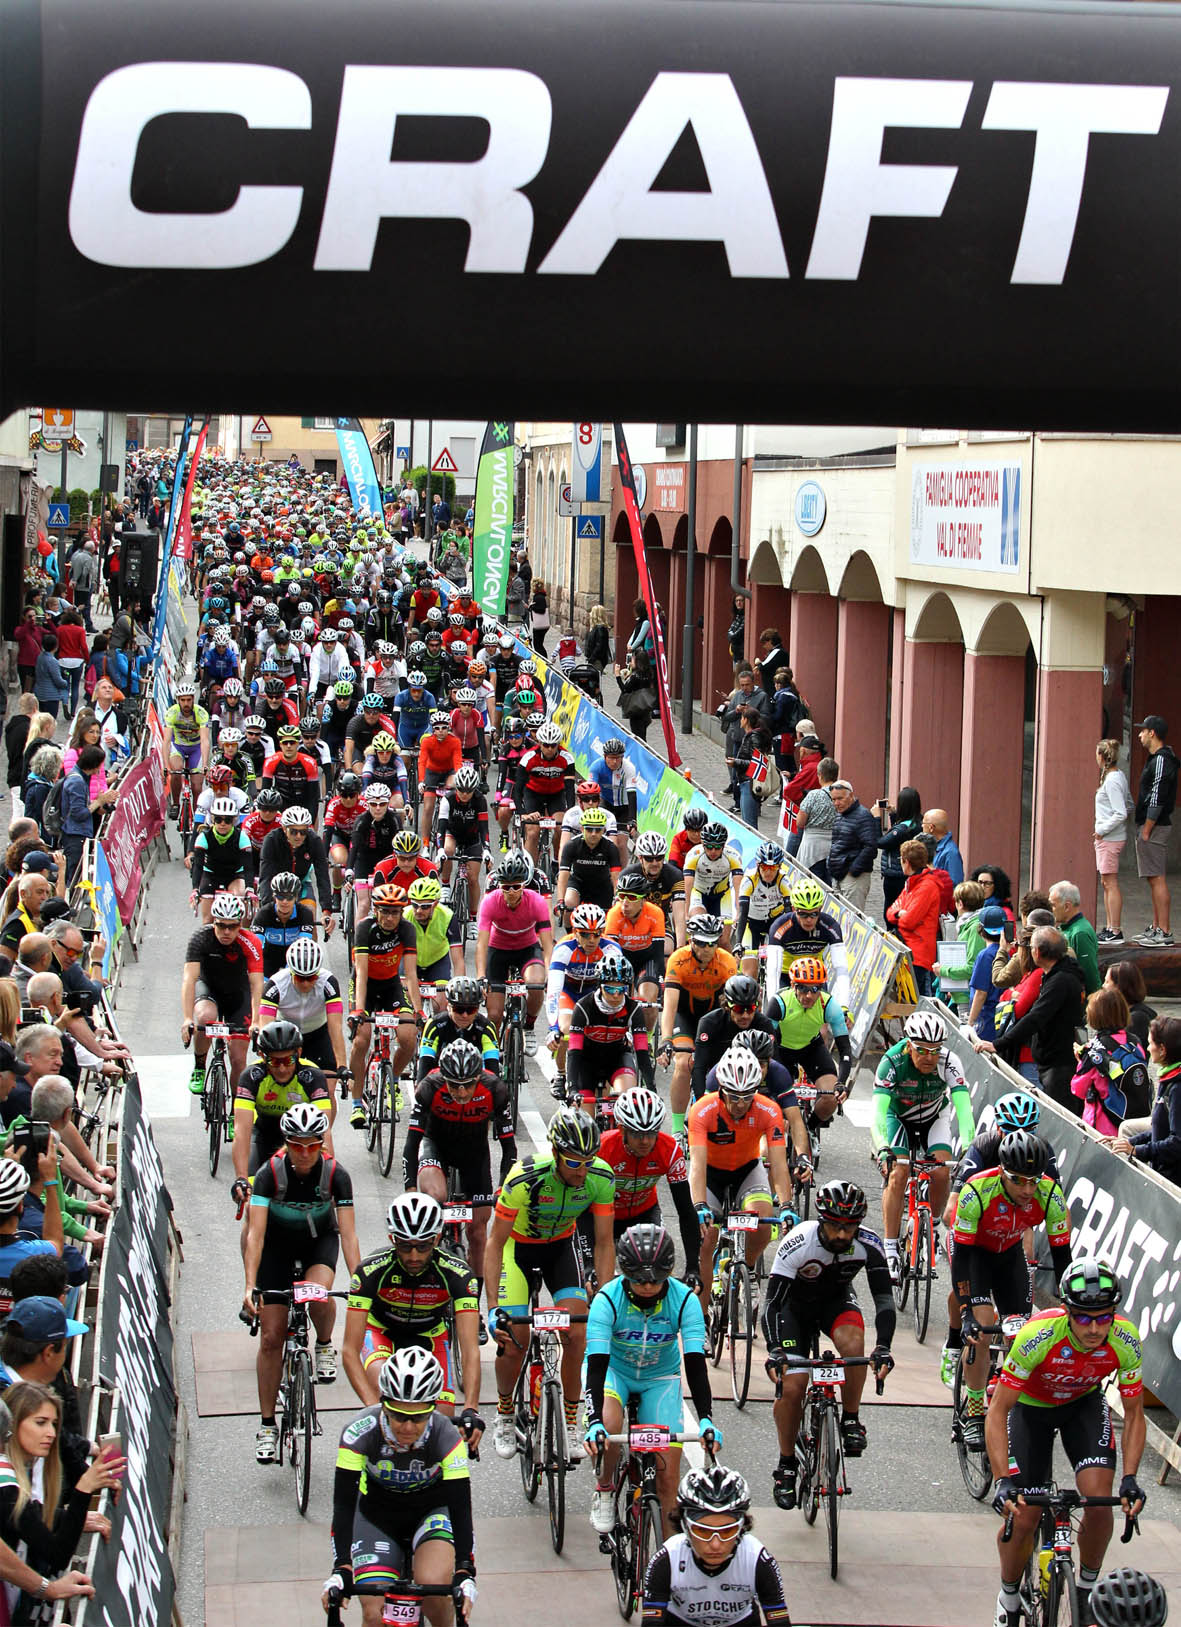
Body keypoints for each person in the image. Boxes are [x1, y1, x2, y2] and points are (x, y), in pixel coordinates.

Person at [987, 1260, 1146, 1627]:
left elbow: (1135, 1414)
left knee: (1099, 1502)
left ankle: (1085, 1594)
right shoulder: (1038, 1335)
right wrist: (1001, 1480)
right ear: (1068, 1312)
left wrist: (1131, 1478)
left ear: (1114, 1314)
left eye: (1103, 1318)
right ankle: (1009, 1596)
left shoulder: (1125, 1339)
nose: (1094, 1328)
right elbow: (997, 1412)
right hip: (1030, 1408)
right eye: (1084, 1318)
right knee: (1023, 1514)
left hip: (1082, 1406)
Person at [485, 1108, 615, 1459]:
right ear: (556, 1153)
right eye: (574, 1163)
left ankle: (572, 1422)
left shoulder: (601, 1178)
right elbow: (495, 1243)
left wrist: (605, 1297)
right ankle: (505, 1411)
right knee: (515, 1339)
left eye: (588, 1161)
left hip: (560, 1248)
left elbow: (604, 1243)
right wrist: (493, 1309)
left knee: (577, 1333)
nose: (582, 1170)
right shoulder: (524, 1177)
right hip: (517, 1250)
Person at [762, 1180, 895, 1508]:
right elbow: (771, 1304)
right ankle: (787, 1464)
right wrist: (774, 1349)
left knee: (854, 1346)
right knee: (793, 1386)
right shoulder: (799, 1243)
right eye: (835, 1226)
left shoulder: (869, 1244)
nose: (842, 1235)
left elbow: (884, 1302)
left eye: (850, 1227)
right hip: (793, 1309)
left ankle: (850, 1418)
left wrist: (884, 1348)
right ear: (822, 1220)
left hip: (835, 1303)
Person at [325, 1349, 476, 1627]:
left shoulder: (447, 1436)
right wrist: (342, 1567)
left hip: (430, 1513)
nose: (407, 1427)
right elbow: (344, 1504)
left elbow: (460, 1506)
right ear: (383, 1404)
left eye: (418, 1418)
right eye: (398, 1415)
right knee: (374, 1613)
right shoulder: (357, 1432)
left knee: (434, 1589)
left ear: (432, 1409)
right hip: (376, 1518)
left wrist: (465, 1569)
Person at [584, 1223, 718, 1535]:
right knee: (610, 1425)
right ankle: (604, 1488)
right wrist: (594, 1422)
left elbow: (696, 1364)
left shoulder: (683, 1300)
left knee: (668, 1479)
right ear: (625, 1272)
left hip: (660, 1378)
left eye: (656, 1280)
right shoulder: (607, 1299)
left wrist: (706, 1419)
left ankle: (667, 1565)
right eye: (639, 1279)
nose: (647, 1286)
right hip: (614, 1373)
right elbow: (597, 1365)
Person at [243, 1103, 359, 1462]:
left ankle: (324, 1342)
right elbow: (256, 1236)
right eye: (298, 1145)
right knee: (271, 1337)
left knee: (320, 1296)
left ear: (322, 1143)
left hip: (317, 1243)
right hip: (276, 1247)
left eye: (313, 1144)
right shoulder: (268, 1174)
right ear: (287, 1143)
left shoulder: (336, 1175)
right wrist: (249, 1286)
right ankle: (266, 1424)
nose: (306, 1152)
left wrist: (360, 1281)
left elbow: (350, 1236)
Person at [0, 1380, 125, 1619]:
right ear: (13, 1425)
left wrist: (68, 1517)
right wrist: (84, 1489)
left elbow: (29, 1516)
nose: (51, 1433)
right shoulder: (6, 1486)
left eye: (54, 1424)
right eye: (40, 1423)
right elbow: (58, 1555)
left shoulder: (15, 1477)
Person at [872, 1010, 974, 1283]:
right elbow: (879, 1113)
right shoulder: (891, 1062)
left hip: (933, 1117)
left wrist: (969, 1145)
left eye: (935, 1050)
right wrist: (883, 1147)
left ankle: (934, 1226)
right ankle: (891, 1245)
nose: (930, 1057)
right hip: (898, 1118)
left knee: (942, 1171)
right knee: (898, 1174)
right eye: (922, 1050)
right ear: (908, 1045)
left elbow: (964, 1110)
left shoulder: (950, 1063)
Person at [640, 1466, 791, 1627]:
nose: (715, 1544)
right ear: (685, 1526)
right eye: (703, 1531)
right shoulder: (667, 1559)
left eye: (727, 1531)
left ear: (741, 1528)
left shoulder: (756, 1558)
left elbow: (779, 1621)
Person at [980, 927, 1087, 1110]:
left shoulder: (1060, 980)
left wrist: (998, 1044)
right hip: (1050, 1061)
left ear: (1037, 952)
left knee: (1058, 1115)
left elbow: (1035, 1017)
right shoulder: (1056, 974)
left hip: (1058, 1065)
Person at [1070, 986, 1150, 1137]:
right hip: (1133, 1122)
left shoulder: (1095, 1048)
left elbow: (1078, 1089)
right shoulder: (1135, 1042)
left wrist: (1081, 1060)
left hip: (1102, 1123)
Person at [1113, 1013, 1181, 1185]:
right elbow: (1161, 1130)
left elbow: (1177, 1143)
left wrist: (1138, 1151)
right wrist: (1128, 1143)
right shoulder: (1170, 1078)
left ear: (1163, 1049)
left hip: (1172, 1180)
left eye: (1151, 1043)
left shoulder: (1177, 1088)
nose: (1148, 1048)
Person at [1132, 714, 1177, 946]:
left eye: (1143, 730)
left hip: (1155, 827)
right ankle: (1157, 926)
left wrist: (1147, 828)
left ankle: (1165, 932)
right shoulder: (1155, 759)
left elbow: (1158, 794)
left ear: (1152, 733)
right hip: (1151, 825)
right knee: (1153, 879)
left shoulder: (1161, 759)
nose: (1139, 734)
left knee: (1158, 879)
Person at [884, 839, 941, 995]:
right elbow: (890, 911)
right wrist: (899, 913)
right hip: (911, 950)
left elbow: (909, 921)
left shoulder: (926, 886)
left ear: (906, 862)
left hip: (918, 955)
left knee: (918, 999)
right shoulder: (913, 882)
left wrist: (899, 913)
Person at [1093, 740, 1134, 944]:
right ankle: (1110, 927)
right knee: (1106, 882)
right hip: (1108, 837)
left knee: (1110, 883)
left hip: (1109, 838)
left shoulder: (1112, 781)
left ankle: (1115, 929)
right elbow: (1128, 805)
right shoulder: (1115, 777)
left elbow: (1121, 812)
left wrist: (1101, 830)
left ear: (1102, 756)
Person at [827, 780, 877, 912]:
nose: (836, 803)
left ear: (851, 796)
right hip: (839, 874)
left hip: (854, 878)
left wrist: (854, 870)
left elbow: (871, 847)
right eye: (833, 799)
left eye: (840, 798)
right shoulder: (840, 814)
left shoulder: (863, 815)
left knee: (852, 918)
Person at [874, 787, 922, 912]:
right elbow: (898, 834)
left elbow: (880, 842)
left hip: (895, 875)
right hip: (908, 872)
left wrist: (877, 818)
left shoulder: (902, 829)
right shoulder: (917, 822)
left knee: (891, 911)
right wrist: (893, 814)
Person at [1049, 880, 1101, 995]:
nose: (1050, 910)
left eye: (1053, 905)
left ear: (1067, 906)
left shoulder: (1080, 934)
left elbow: (1090, 976)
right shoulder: (1064, 928)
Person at [1104, 960, 1156, 1051]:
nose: (1103, 986)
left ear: (1120, 986)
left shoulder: (1137, 1018)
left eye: (1107, 982)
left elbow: (1125, 1052)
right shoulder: (1119, 1011)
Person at [923, 807, 964, 885]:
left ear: (931, 827)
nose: (922, 826)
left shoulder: (951, 852)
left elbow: (955, 883)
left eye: (923, 824)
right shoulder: (933, 847)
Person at [31, 638, 68, 723]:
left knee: (42, 721)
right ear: (55, 647)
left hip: (40, 693)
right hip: (50, 695)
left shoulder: (40, 657)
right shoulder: (52, 661)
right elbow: (58, 680)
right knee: (49, 722)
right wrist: (65, 682)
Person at [585, 604, 611, 672]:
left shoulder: (600, 629)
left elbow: (599, 646)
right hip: (595, 659)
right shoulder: (597, 628)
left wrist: (592, 658)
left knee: (594, 679)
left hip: (597, 660)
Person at [529, 580, 550, 654]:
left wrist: (532, 607)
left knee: (538, 645)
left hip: (540, 625)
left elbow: (541, 610)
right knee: (538, 644)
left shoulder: (539, 597)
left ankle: (543, 660)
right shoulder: (540, 596)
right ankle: (543, 660)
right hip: (540, 624)